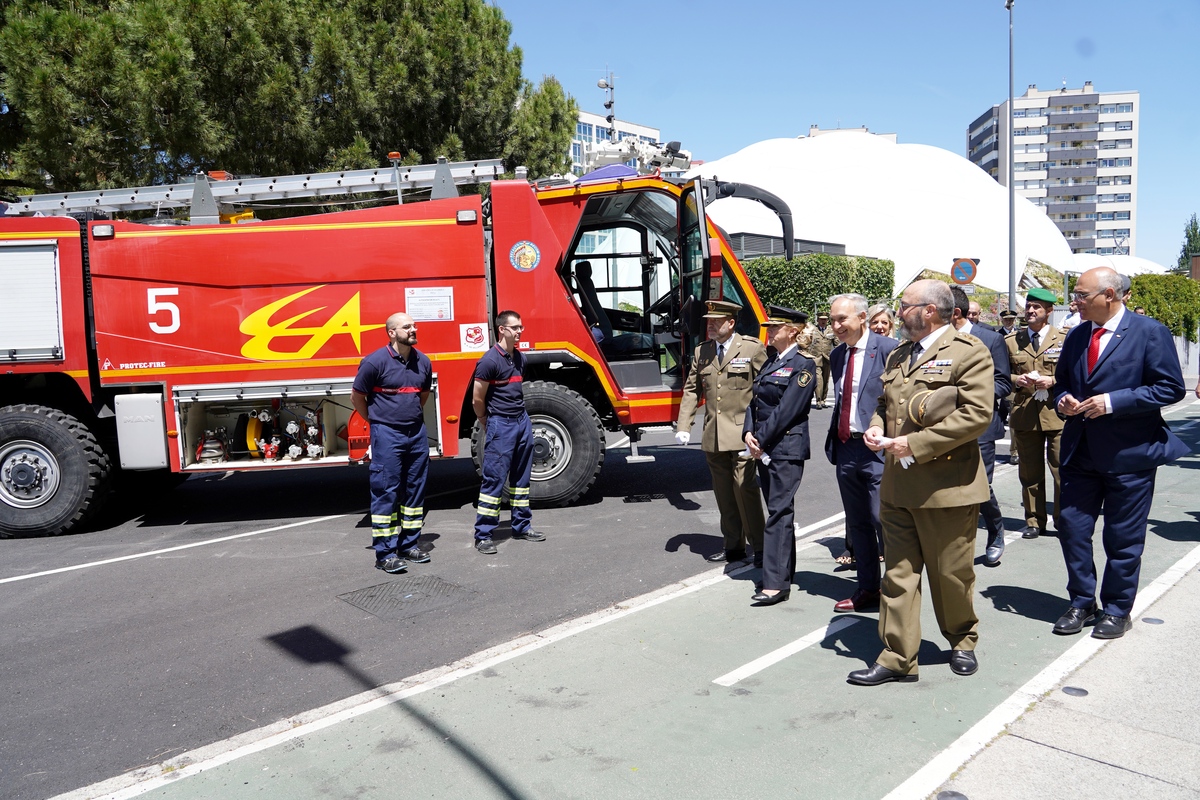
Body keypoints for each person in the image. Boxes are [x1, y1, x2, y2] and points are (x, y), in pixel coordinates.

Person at [847, 280, 994, 686]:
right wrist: (876, 430)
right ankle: (897, 656)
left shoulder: (969, 353)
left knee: (951, 574)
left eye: (905, 305)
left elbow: (977, 415)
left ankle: (962, 640)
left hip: (947, 487)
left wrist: (912, 442)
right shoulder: (899, 353)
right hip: (898, 486)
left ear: (928, 310)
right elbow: (882, 404)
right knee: (897, 575)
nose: (898, 311)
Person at [1051, 267, 1188, 639]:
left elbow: (1170, 388)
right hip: (1081, 451)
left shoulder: (1150, 333)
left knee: (1122, 537)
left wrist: (1113, 401)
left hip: (1130, 455)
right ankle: (1081, 601)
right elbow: (1061, 381)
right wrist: (1062, 398)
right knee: (1072, 529)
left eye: (1081, 295)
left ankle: (1116, 609)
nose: (1074, 301)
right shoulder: (1078, 335)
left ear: (1109, 295)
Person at [676, 300, 768, 564]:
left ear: (731, 322)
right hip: (713, 436)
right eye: (709, 321)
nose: (711, 325)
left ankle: (760, 547)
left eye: (717, 320)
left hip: (744, 434)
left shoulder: (751, 348)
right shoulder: (702, 352)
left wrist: (761, 429)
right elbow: (692, 390)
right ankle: (734, 547)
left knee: (745, 489)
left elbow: (764, 390)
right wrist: (684, 426)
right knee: (724, 494)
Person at [825, 294, 898, 613]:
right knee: (858, 523)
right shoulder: (837, 355)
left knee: (882, 518)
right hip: (846, 446)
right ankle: (868, 588)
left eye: (842, 319)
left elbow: (898, 399)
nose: (836, 326)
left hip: (877, 448)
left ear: (863, 318)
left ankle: (897, 591)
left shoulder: (888, 349)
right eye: (833, 320)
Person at [743, 307, 817, 605]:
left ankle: (775, 583)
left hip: (785, 447)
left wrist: (759, 439)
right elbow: (754, 400)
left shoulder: (803, 365)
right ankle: (784, 572)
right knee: (779, 510)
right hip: (765, 446)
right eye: (768, 327)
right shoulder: (772, 360)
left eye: (775, 328)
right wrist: (748, 432)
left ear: (794, 331)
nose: (769, 332)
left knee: (778, 513)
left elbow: (788, 410)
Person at [352, 312, 434, 574]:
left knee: (415, 491)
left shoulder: (423, 362)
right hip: (387, 434)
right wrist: (377, 421)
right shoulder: (374, 363)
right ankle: (385, 553)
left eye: (414, 325)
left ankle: (408, 545)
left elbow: (422, 396)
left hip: (416, 433)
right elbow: (357, 398)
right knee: (386, 491)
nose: (413, 329)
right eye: (406, 326)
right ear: (391, 332)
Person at [471, 310, 546, 554]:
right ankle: (483, 535)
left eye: (521, 327)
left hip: (521, 422)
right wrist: (485, 420)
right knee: (494, 480)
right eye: (515, 327)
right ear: (502, 329)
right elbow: (477, 398)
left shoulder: (520, 358)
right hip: (500, 425)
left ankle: (522, 526)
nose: (520, 331)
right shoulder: (489, 361)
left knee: (521, 481)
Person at [949, 286, 1013, 567]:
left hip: (980, 425)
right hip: (944, 426)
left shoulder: (989, 338)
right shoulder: (934, 341)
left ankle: (996, 530)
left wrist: (968, 398)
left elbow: (1003, 382)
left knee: (979, 485)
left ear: (955, 313)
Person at [1006, 287, 1066, 540]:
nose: (1030, 311)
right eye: (1029, 306)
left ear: (1049, 311)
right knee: (1030, 472)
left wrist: (1053, 381)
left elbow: (1075, 374)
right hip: (1025, 414)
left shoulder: (1064, 339)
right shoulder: (1011, 341)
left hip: (1057, 414)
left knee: (1062, 470)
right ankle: (1034, 521)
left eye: (1037, 307)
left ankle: (1065, 521)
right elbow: (999, 376)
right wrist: (1016, 379)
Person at [809, 312, 835, 408]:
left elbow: (837, 344)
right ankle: (818, 401)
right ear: (818, 320)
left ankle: (823, 399)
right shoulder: (813, 330)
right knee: (818, 379)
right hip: (816, 358)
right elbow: (807, 343)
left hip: (827, 358)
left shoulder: (831, 330)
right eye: (821, 319)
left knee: (826, 380)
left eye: (825, 319)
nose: (823, 321)